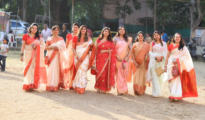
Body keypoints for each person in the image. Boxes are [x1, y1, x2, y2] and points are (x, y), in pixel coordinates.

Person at [164, 33, 198, 102]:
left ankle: (175, 95)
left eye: (179, 37)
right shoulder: (170, 46)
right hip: (171, 65)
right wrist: (165, 65)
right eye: (176, 37)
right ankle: (172, 94)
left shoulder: (183, 47)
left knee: (178, 80)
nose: (177, 38)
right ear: (174, 38)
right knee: (171, 80)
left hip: (179, 65)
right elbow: (167, 56)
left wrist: (178, 60)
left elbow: (187, 57)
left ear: (180, 38)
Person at [20, 23, 47, 91]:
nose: (34, 29)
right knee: (28, 68)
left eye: (36, 28)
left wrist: (36, 46)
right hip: (27, 54)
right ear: (30, 28)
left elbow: (43, 46)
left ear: (37, 29)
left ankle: (32, 84)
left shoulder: (39, 37)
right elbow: (23, 46)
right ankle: (27, 84)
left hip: (35, 55)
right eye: (33, 28)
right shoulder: (25, 36)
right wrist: (21, 54)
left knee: (33, 69)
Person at [70, 25, 95, 94]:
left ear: (86, 30)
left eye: (85, 29)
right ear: (80, 30)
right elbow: (73, 48)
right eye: (82, 29)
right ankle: (77, 86)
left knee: (83, 71)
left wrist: (91, 46)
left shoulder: (88, 39)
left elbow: (90, 48)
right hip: (77, 57)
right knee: (78, 71)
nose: (83, 30)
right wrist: (77, 56)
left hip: (85, 57)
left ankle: (81, 86)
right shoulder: (75, 38)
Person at [45, 25, 69, 92]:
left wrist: (59, 48)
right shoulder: (49, 39)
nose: (56, 31)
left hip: (58, 57)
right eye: (54, 30)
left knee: (57, 70)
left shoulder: (61, 38)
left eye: (57, 30)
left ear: (59, 31)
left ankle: (56, 84)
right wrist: (52, 47)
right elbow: (45, 47)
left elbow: (64, 48)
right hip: (51, 57)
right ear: (52, 31)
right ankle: (50, 84)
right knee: (51, 70)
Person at [94, 27, 116, 94]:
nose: (106, 32)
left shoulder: (111, 41)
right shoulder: (98, 40)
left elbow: (113, 50)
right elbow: (95, 49)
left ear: (109, 33)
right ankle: (98, 87)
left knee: (105, 73)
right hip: (99, 58)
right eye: (105, 31)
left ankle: (104, 88)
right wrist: (93, 59)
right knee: (99, 72)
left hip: (107, 59)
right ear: (103, 32)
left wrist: (105, 51)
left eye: (107, 31)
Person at [147, 31, 167, 97]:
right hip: (153, 62)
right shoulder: (152, 43)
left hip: (160, 63)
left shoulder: (164, 44)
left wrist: (161, 57)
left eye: (157, 35)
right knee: (154, 77)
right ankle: (156, 93)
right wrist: (156, 56)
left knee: (159, 77)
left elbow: (166, 53)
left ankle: (157, 92)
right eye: (155, 35)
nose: (156, 36)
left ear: (160, 35)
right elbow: (150, 52)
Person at [114, 26, 132, 95]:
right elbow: (113, 48)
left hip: (125, 59)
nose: (122, 30)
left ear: (125, 31)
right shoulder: (115, 38)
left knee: (124, 74)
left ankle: (124, 88)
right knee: (119, 74)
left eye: (123, 29)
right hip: (118, 58)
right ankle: (120, 89)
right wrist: (116, 56)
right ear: (118, 31)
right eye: (120, 29)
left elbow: (130, 49)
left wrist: (127, 57)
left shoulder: (128, 39)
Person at [131, 31, 150, 95]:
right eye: (139, 36)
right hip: (136, 63)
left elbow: (148, 53)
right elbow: (132, 53)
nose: (140, 37)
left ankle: (141, 90)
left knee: (142, 77)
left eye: (141, 36)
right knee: (136, 76)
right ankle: (136, 90)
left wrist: (147, 56)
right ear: (137, 37)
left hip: (143, 63)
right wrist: (134, 62)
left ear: (143, 37)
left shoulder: (146, 45)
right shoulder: (134, 44)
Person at [64, 22, 80, 90]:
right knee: (69, 68)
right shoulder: (69, 35)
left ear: (78, 28)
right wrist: (64, 54)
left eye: (76, 27)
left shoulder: (80, 36)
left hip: (77, 53)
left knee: (76, 68)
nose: (75, 28)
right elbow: (66, 45)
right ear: (72, 28)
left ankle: (76, 84)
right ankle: (70, 84)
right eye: (74, 27)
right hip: (69, 53)